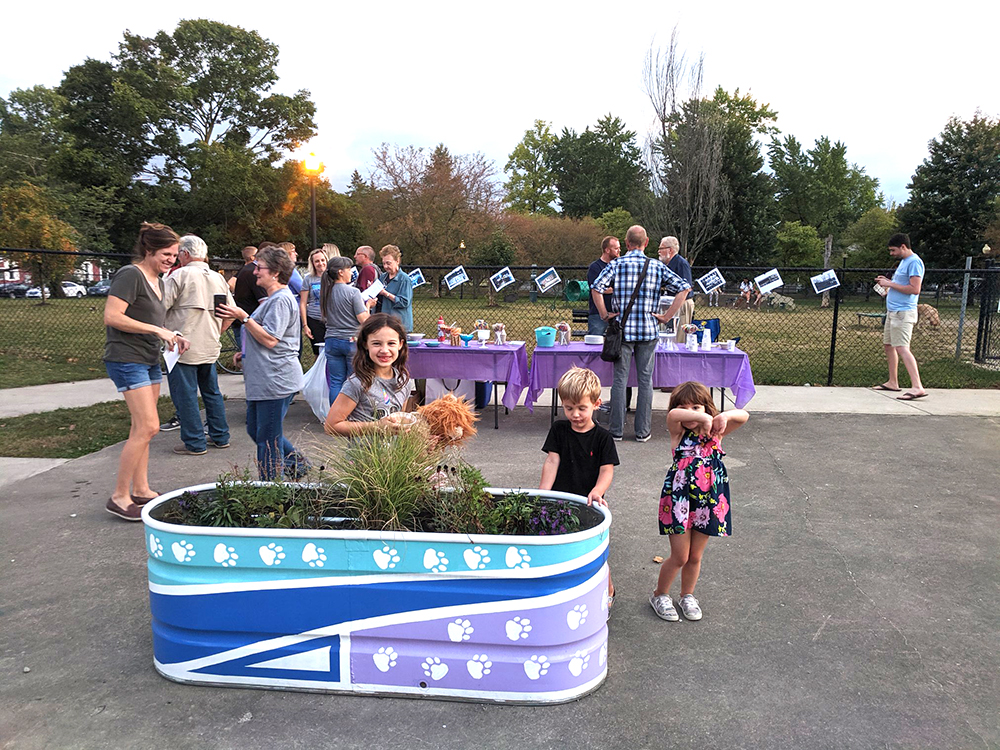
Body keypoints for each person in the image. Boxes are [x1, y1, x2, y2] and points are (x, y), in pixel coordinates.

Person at [103, 222, 189, 520]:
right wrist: (157, 329)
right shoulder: (131, 275)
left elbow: (152, 321)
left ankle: (141, 489)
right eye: (166, 254)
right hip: (126, 359)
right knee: (150, 426)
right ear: (149, 250)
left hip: (149, 357)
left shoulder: (160, 281)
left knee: (142, 428)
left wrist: (172, 335)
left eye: (175, 255)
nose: (171, 259)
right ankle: (119, 496)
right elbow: (112, 316)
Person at [650, 381, 749, 622]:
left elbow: (744, 415)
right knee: (680, 556)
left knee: (695, 556)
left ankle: (687, 595)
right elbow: (673, 414)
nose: (691, 413)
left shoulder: (716, 433)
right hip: (680, 501)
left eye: (697, 407)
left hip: (708, 503)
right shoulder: (679, 432)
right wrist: (701, 416)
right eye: (687, 408)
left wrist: (720, 416)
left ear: (707, 408)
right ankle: (660, 594)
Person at [591, 224, 691, 443]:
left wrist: (604, 313)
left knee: (620, 380)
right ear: (646, 243)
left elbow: (596, 287)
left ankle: (616, 431)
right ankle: (642, 432)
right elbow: (685, 288)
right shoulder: (656, 266)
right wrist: (667, 317)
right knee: (645, 381)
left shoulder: (616, 264)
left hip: (622, 332)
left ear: (626, 243)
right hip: (648, 331)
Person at [217, 246, 307, 480]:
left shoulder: (281, 300)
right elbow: (264, 336)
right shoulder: (273, 299)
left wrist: (243, 317)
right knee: (257, 430)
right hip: (264, 380)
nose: (255, 271)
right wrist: (245, 353)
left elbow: (270, 339)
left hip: (275, 380)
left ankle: (270, 491)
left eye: (260, 267)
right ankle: (298, 464)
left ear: (275, 272)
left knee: (267, 440)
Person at [539, 366, 619, 607]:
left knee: (593, 553)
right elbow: (552, 460)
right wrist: (542, 493)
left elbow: (607, 469)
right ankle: (562, 593)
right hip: (560, 500)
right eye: (569, 408)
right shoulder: (559, 429)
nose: (575, 414)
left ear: (596, 403)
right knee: (558, 546)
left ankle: (609, 592)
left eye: (581, 408)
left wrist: (597, 490)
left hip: (589, 503)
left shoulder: (603, 438)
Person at [163, 234, 234, 455]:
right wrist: (217, 331)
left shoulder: (178, 276)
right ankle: (220, 436)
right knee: (211, 391)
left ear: (184, 254)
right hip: (210, 344)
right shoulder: (217, 278)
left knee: (185, 395)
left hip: (181, 346)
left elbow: (158, 309)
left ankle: (194, 442)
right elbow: (229, 313)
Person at [324, 313, 416, 437]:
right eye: (377, 343)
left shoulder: (404, 381)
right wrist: (377, 427)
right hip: (363, 456)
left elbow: (401, 422)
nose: (384, 350)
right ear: (365, 344)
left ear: (400, 344)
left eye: (391, 343)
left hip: (394, 456)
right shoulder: (357, 383)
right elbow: (331, 426)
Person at [874, 232, 927, 400]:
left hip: (903, 312)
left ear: (903, 247)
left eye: (893, 250)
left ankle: (917, 386)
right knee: (889, 345)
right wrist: (887, 284)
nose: (891, 254)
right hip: (893, 311)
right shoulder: (904, 262)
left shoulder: (914, 262)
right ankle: (892, 382)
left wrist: (889, 283)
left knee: (902, 347)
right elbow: (900, 285)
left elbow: (914, 289)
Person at [321, 255, 370, 403]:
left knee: (336, 382)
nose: (351, 272)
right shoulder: (353, 292)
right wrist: (368, 305)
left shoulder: (326, 292)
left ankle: (334, 417)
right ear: (341, 272)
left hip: (331, 340)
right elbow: (363, 319)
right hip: (351, 340)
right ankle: (350, 417)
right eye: (349, 269)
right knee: (353, 381)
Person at [657, 236, 694, 342]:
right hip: (669, 303)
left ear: (670, 250)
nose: (658, 251)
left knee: (679, 337)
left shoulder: (681, 264)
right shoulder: (667, 265)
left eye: (661, 248)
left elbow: (687, 288)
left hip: (682, 304)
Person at [376, 244, 414, 332]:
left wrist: (386, 293)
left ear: (397, 261)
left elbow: (404, 302)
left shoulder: (404, 279)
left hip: (399, 324)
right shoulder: (383, 277)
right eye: (384, 263)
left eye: (388, 263)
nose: (385, 266)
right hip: (384, 322)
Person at [587, 236, 620, 335]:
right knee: (595, 343)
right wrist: (614, 289)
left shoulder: (619, 266)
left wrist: (610, 289)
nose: (619, 250)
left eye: (619, 248)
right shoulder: (595, 267)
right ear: (607, 250)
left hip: (617, 313)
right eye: (616, 248)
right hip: (597, 314)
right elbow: (596, 288)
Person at [300, 247, 329, 356]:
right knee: (318, 353)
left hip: (332, 321)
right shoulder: (308, 279)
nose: (320, 263)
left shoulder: (333, 277)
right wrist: (305, 325)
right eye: (317, 261)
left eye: (322, 260)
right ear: (312, 263)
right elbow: (303, 303)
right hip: (314, 319)